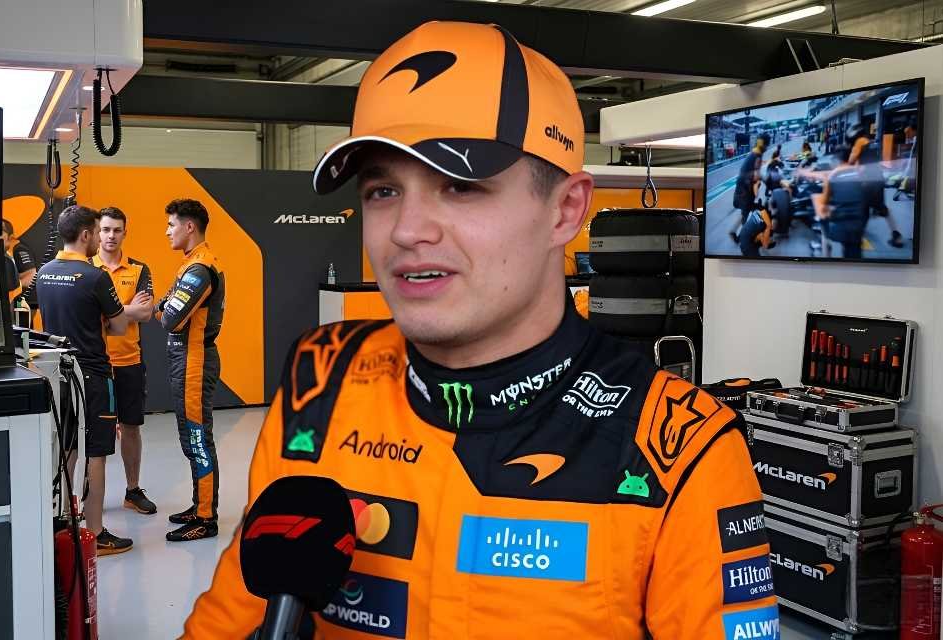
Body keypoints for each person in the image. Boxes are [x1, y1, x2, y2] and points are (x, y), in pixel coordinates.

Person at [182, 21, 776, 639]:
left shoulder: (682, 451)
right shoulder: (321, 376)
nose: (407, 229)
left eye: (461, 185)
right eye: (383, 190)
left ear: (566, 209)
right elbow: (232, 614)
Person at [36, 205, 153, 556]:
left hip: (58, 373)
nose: (105, 238)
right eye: (99, 231)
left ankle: (63, 521)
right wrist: (109, 315)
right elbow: (118, 326)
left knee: (67, 449)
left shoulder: (44, 273)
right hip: (93, 376)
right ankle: (97, 532)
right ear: (87, 234)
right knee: (97, 454)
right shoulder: (95, 277)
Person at [157, 198, 226, 542]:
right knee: (190, 438)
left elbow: (169, 317)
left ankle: (206, 518)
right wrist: (165, 305)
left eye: (171, 225)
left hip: (194, 362)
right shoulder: (191, 264)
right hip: (185, 360)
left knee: (198, 439)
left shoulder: (199, 269)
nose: (167, 231)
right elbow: (165, 306)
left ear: (189, 227)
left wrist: (164, 306)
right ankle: (200, 505)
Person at [92, 206, 158, 516]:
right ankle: (90, 497)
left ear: (124, 233)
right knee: (95, 434)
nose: (111, 236)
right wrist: (124, 310)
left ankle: (132, 490)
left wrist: (105, 312)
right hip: (95, 364)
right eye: (106, 230)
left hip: (130, 361)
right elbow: (86, 314)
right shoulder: (87, 267)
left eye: (117, 230)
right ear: (97, 232)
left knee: (131, 428)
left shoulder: (139, 269)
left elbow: (146, 312)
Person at [847, 124, 904, 248]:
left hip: (867, 182)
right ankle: (897, 236)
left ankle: (857, 235)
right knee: (882, 208)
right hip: (878, 180)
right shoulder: (870, 143)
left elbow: (851, 161)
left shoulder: (859, 142)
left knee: (862, 208)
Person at [816, 145, 869, 259]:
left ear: (835, 160)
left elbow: (824, 203)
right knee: (854, 250)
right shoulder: (860, 173)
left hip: (842, 223)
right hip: (860, 222)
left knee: (821, 219)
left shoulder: (832, 176)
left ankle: (826, 256)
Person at [730, 135, 767, 243]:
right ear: (764, 145)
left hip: (741, 187)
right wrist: (764, 179)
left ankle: (735, 232)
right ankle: (744, 237)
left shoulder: (753, 153)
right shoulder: (758, 156)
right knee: (748, 212)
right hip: (746, 190)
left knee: (745, 212)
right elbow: (756, 176)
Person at [1, 219, 37, 304]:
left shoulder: (19, 249)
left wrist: (11, 286)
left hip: (21, 302)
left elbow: (31, 278)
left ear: (10, 237)